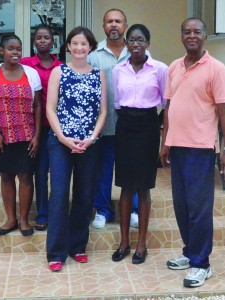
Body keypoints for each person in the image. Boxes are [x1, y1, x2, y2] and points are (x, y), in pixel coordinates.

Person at [160, 18, 225, 288]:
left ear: (205, 36)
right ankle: (190, 253)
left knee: (199, 210)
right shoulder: (174, 67)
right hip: (177, 147)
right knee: (182, 206)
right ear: (181, 36)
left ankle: (202, 264)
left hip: (201, 149)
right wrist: (165, 142)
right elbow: (169, 107)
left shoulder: (216, 68)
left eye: (197, 32)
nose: (192, 35)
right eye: (187, 32)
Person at [45, 26, 107, 272]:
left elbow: (103, 111)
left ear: (90, 47)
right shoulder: (58, 72)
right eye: (75, 43)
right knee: (59, 194)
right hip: (60, 143)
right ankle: (56, 252)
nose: (79, 48)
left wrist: (91, 138)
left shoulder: (98, 74)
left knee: (84, 194)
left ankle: (78, 246)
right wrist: (62, 137)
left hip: (89, 145)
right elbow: (51, 108)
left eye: (84, 44)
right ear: (68, 47)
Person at [111, 24, 168, 264]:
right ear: (126, 43)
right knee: (125, 186)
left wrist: (165, 138)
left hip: (148, 126)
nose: (136, 44)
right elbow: (116, 102)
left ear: (148, 43)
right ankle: (124, 242)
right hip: (124, 125)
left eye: (141, 39)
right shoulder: (117, 70)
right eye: (132, 40)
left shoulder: (160, 69)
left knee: (143, 186)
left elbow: (167, 104)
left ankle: (141, 244)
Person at [0, 34, 42, 237]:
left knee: (25, 176)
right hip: (1, 136)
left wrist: (37, 136)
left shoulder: (31, 73)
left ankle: (24, 220)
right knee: (6, 176)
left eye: (18, 48)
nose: (15, 52)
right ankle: (11, 219)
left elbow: (38, 106)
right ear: (1, 51)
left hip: (26, 133)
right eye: (10, 48)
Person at [88, 8, 139, 229]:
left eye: (118, 21)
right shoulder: (94, 55)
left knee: (131, 169)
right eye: (109, 21)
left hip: (131, 125)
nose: (114, 25)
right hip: (104, 125)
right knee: (103, 170)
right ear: (103, 26)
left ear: (125, 25)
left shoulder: (138, 51)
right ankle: (103, 210)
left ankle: (135, 209)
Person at [20, 24, 62, 231]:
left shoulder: (62, 66)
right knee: (40, 171)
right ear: (34, 41)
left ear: (53, 41)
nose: (43, 41)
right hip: (35, 127)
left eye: (46, 37)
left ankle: (57, 212)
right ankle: (43, 213)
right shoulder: (25, 64)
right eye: (38, 37)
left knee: (58, 172)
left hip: (57, 128)